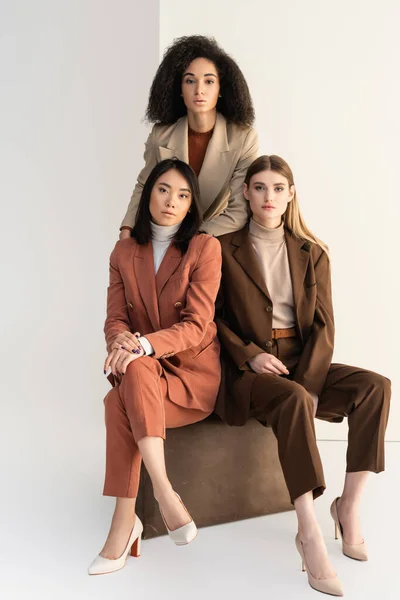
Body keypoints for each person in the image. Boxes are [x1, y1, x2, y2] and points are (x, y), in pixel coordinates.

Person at [215, 155, 391, 596]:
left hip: (301, 358)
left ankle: (347, 507)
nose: (268, 196)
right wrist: (251, 354)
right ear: (246, 194)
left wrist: (310, 383)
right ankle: (308, 531)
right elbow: (212, 320)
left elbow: (325, 327)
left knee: (376, 387)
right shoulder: (222, 249)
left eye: (277, 187)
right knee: (292, 399)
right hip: (249, 369)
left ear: (291, 194)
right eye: (259, 187)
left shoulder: (312, 252)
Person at [89, 159, 222, 575]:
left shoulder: (204, 248)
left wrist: (142, 344)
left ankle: (132, 517)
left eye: (183, 195)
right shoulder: (124, 251)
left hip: (190, 376)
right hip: (144, 374)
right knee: (123, 394)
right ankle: (156, 502)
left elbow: (198, 326)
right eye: (164, 190)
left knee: (123, 393)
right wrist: (120, 341)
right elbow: (115, 318)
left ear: (191, 206)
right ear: (148, 193)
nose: (171, 201)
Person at [119, 35, 258, 240]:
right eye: (190, 80)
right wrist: (127, 229)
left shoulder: (243, 138)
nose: (199, 90)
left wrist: (195, 237)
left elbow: (239, 210)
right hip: (166, 235)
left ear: (221, 89)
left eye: (209, 81)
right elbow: (144, 186)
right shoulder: (161, 135)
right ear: (179, 89)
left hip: (216, 237)